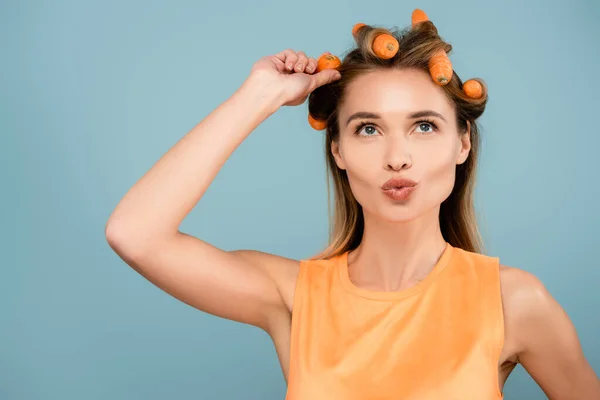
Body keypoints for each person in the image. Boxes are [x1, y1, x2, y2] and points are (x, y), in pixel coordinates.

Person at [105, 10, 600, 400]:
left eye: (424, 125)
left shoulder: (513, 301)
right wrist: (260, 95)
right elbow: (135, 234)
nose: (397, 158)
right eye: (368, 128)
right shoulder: (293, 297)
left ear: (462, 143)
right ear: (337, 150)